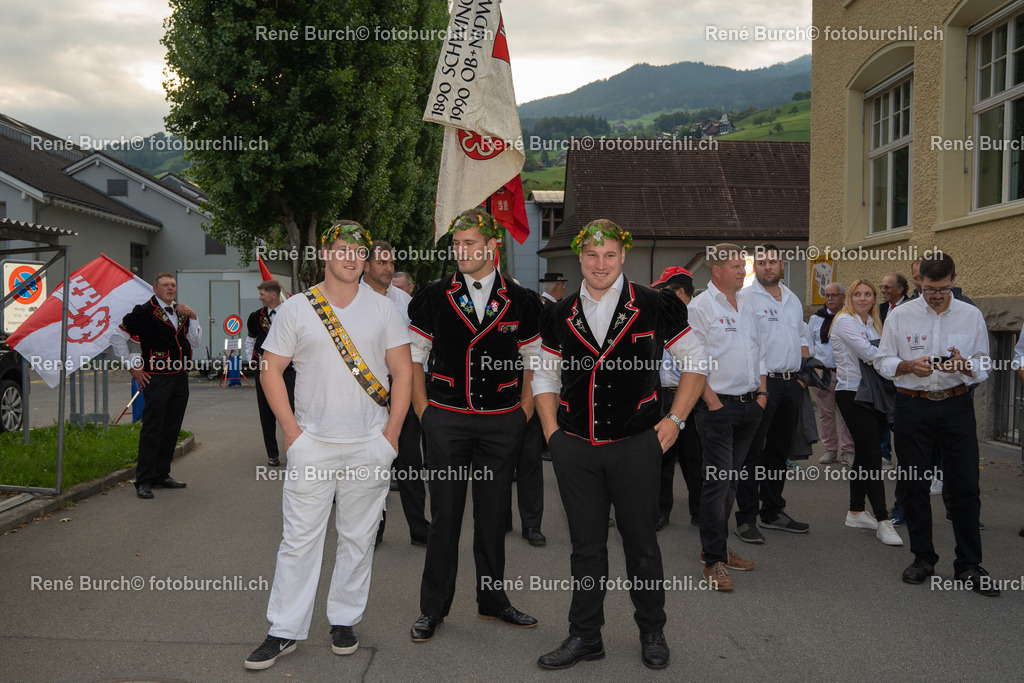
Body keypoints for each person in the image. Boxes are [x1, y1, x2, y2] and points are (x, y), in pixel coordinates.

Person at [533, 221, 706, 670]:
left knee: (641, 544)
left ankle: (652, 630)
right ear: (580, 259)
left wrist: (675, 420)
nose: (600, 264)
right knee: (585, 548)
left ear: (622, 256)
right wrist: (553, 433)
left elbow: (697, 362)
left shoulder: (655, 304)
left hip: (636, 445)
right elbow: (546, 376)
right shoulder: (558, 313)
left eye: (609, 255)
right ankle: (585, 636)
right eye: (592, 256)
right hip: (576, 447)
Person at [244, 221, 413, 669]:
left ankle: (343, 619)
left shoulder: (385, 310)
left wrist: (391, 435)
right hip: (313, 444)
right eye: (341, 250)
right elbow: (270, 370)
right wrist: (292, 434)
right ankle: (284, 629)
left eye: (358, 252)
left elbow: (404, 372)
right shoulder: (297, 309)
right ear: (325, 254)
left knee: (358, 539)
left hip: (369, 444)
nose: (350, 258)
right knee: (299, 540)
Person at [407, 208, 542, 643]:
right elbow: (414, 361)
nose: (461, 251)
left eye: (469, 244)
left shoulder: (522, 301)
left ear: (492, 247)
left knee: (493, 516)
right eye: (457, 244)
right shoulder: (432, 296)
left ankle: (492, 600)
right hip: (446, 420)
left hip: (502, 423)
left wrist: (523, 414)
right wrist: (425, 413)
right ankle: (433, 608)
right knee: (444, 516)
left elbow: (533, 364)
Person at [875, 252, 999, 596]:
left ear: (954, 280)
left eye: (943, 289)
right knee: (914, 485)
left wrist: (963, 364)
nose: (936, 296)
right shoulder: (901, 315)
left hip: (957, 404)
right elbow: (882, 360)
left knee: (964, 487)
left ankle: (969, 565)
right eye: (930, 289)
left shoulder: (970, 315)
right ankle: (923, 558)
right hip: (913, 407)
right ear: (919, 282)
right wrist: (907, 367)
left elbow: (985, 365)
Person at [687, 244, 765, 591]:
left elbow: (758, 353)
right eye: (735, 266)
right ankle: (714, 559)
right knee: (717, 482)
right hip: (718, 407)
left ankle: (716, 547)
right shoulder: (700, 308)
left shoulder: (747, 304)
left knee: (731, 480)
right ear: (716, 270)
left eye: (742, 266)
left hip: (751, 405)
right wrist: (713, 403)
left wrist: (762, 394)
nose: (742, 272)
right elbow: (692, 361)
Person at [735, 244, 810, 542]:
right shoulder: (746, 298)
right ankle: (746, 517)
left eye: (773, 262)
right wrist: (763, 388)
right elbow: (748, 345)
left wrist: (802, 378)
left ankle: (773, 511)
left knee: (779, 451)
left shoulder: (792, 298)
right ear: (756, 267)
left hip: (792, 384)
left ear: (782, 264)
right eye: (762, 263)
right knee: (752, 452)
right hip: (762, 385)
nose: (768, 267)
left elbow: (802, 336)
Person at [110, 272, 201, 500]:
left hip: (180, 376)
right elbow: (117, 337)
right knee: (152, 429)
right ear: (155, 288)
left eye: (173, 285)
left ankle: (162, 474)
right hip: (157, 377)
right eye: (165, 285)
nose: (170, 288)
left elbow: (195, 342)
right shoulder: (143, 311)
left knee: (172, 427)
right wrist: (132, 366)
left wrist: (194, 316)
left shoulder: (182, 311)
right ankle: (143, 480)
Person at [362, 240, 429, 548]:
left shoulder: (404, 300)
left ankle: (419, 527)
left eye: (391, 263)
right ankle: (375, 526)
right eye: (382, 263)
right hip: (366, 395)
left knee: (411, 462)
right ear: (366, 265)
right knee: (375, 465)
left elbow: (417, 347)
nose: (388, 268)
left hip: (402, 391)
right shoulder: (353, 299)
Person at [827, 279, 903, 546]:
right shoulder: (845, 320)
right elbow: (870, 354)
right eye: (857, 293)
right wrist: (903, 363)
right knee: (872, 455)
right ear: (850, 297)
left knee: (864, 452)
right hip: (852, 393)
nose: (863, 298)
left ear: (873, 299)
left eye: (868, 294)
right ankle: (883, 520)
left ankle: (856, 511)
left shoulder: (873, 323)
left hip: (872, 393)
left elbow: (879, 354)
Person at [651, 267, 703, 531]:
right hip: (662, 395)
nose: (661, 295)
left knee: (694, 456)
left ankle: (699, 510)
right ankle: (661, 510)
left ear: (680, 291)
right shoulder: (662, 317)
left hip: (690, 396)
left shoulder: (699, 317)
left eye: (665, 290)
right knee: (662, 456)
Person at [246, 280, 296, 467]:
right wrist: (252, 363)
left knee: (292, 410)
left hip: (290, 370)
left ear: (273, 295)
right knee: (266, 411)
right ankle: (272, 454)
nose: (259, 298)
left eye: (262, 294)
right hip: (265, 369)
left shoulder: (291, 313)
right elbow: (250, 340)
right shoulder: (255, 316)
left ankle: (294, 451)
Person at [808, 283, 855, 466]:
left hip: (845, 373)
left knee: (846, 414)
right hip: (823, 374)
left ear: (843, 297)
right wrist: (814, 366)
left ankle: (848, 451)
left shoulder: (849, 317)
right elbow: (809, 343)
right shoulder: (815, 319)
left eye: (834, 295)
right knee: (826, 415)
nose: (829, 299)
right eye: (827, 295)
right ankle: (830, 450)